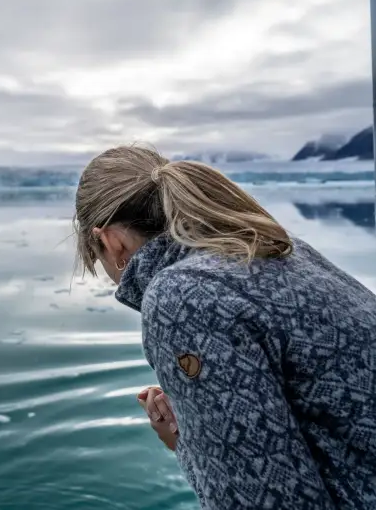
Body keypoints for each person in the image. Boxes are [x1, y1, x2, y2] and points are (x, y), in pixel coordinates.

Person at [73, 145, 376, 510]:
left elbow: (266, 500)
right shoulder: (280, 248)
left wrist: (184, 444)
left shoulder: (184, 295)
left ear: (111, 242)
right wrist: (204, 427)